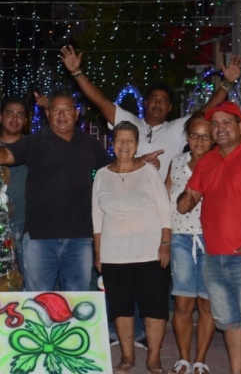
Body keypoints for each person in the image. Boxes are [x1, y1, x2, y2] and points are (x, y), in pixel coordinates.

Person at [0, 89, 112, 292]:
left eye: (67, 110)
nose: (62, 116)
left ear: (76, 114)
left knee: (77, 301)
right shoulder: (34, 142)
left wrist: (139, 162)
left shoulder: (89, 143)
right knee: (38, 301)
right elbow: (5, 155)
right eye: (56, 110)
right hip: (40, 239)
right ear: (47, 113)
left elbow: (113, 170)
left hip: (80, 238)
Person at [177, 101, 241, 374]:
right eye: (214, 123)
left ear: (239, 126)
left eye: (226, 122)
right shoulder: (208, 161)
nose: (219, 128)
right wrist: (184, 201)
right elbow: (192, 194)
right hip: (214, 256)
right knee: (230, 321)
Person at [58, 45, 241, 179]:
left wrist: (227, 83)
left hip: (164, 205)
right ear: (145, 103)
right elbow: (101, 101)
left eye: (164, 101)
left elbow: (206, 109)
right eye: (154, 99)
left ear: (170, 108)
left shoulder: (177, 129)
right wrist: (76, 72)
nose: (158, 104)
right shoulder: (130, 123)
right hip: (130, 198)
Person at [92, 121, 172, 374]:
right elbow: (96, 216)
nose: (124, 145)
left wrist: (165, 243)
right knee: (121, 308)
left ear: (137, 145)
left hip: (150, 252)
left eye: (130, 141)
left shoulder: (148, 171)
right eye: (119, 140)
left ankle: (154, 358)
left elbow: (164, 209)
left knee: (155, 308)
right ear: (112, 144)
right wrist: (98, 252)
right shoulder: (102, 174)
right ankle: (127, 356)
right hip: (115, 253)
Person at [166, 114, 216, 374]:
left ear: (213, 138)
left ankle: (201, 359)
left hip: (212, 240)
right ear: (187, 137)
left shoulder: (220, 164)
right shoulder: (176, 163)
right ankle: (184, 358)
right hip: (180, 239)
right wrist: (163, 239)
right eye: (194, 135)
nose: (199, 141)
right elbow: (165, 200)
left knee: (206, 304)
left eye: (205, 136)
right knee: (183, 303)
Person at [0, 97, 29, 277]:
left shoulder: (32, 146)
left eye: (20, 115)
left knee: (30, 281)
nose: (14, 119)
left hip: (27, 225)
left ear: (25, 121)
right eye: (9, 114)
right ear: (0, 117)